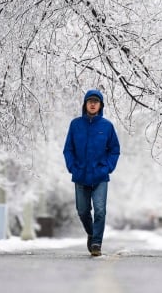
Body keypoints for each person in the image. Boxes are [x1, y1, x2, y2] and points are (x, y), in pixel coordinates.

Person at [63, 89, 120, 256]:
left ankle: (96, 243)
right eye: (90, 101)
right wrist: (72, 167)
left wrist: (107, 167)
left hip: (100, 176)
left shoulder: (107, 126)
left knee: (100, 210)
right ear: (85, 104)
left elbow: (115, 150)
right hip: (80, 175)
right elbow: (68, 149)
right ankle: (91, 233)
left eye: (96, 101)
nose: (93, 104)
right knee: (82, 211)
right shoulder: (75, 125)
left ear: (101, 105)